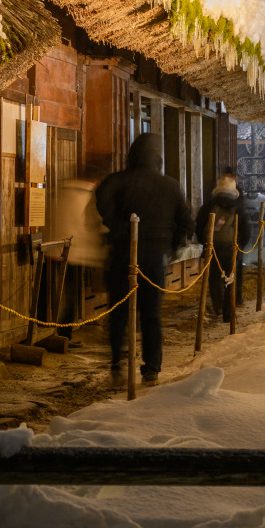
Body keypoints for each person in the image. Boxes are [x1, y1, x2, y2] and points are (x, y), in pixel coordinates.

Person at [94, 133, 193, 384]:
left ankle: (117, 363)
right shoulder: (170, 185)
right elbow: (186, 221)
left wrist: (116, 226)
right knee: (151, 314)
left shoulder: (118, 181)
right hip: (154, 256)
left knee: (118, 312)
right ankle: (151, 368)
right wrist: (174, 244)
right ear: (156, 156)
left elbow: (101, 199)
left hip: (122, 254)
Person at [198, 168, 252, 322]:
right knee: (230, 279)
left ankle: (218, 307)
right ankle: (229, 313)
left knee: (214, 278)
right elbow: (246, 230)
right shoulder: (238, 207)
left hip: (212, 248)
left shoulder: (208, 205)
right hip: (231, 249)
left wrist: (205, 242)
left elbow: (199, 225)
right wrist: (239, 246)